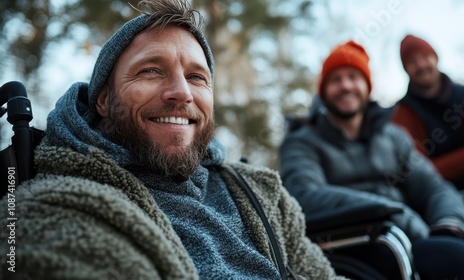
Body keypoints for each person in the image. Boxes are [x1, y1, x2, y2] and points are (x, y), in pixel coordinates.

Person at [0, 1, 345, 279]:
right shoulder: (62, 199)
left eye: (197, 77)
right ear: (103, 100)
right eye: (151, 70)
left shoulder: (261, 193)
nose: (181, 92)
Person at [279, 40, 464, 279]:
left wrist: (449, 223)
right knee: (459, 260)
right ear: (323, 91)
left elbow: (433, 186)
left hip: (414, 231)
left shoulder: (393, 136)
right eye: (335, 80)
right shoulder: (302, 142)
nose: (346, 86)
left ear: (367, 86)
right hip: (359, 243)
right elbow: (305, 195)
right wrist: (394, 214)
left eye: (354, 77)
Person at [391, 34, 464, 183]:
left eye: (425, 57)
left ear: (435, 58)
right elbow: (412, 170)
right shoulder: (403, 111)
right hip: (435, 196)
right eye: (412, 61)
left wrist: (435, 167)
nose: (421, 65)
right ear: (406, 69)